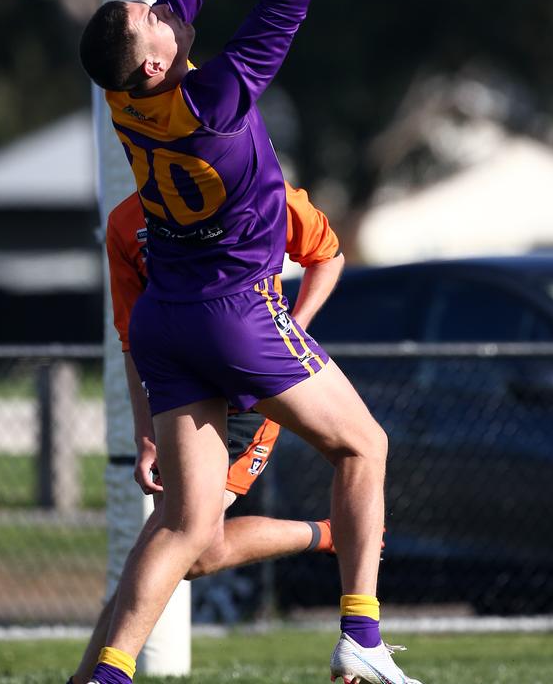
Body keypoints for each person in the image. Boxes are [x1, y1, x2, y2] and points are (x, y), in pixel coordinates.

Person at [79, 0, 422, 684]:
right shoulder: (215, 98)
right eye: (147, 18)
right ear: (154, 61)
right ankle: (361, 640)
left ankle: (106, 674)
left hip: (167, 320)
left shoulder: (130, 92)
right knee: (364, 447)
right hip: (235, 315)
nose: (158, 12)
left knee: (189, 532)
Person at [67, 182, 345, 684]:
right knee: (186, 551)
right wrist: (143, 431)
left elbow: (327, 255)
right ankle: (328, 533)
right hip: (185, 393)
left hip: (247, 398)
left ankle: (94, 678)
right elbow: (131, 337)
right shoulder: (127, 221)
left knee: (167, 544)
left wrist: (288, 333)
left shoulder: (254, 188)